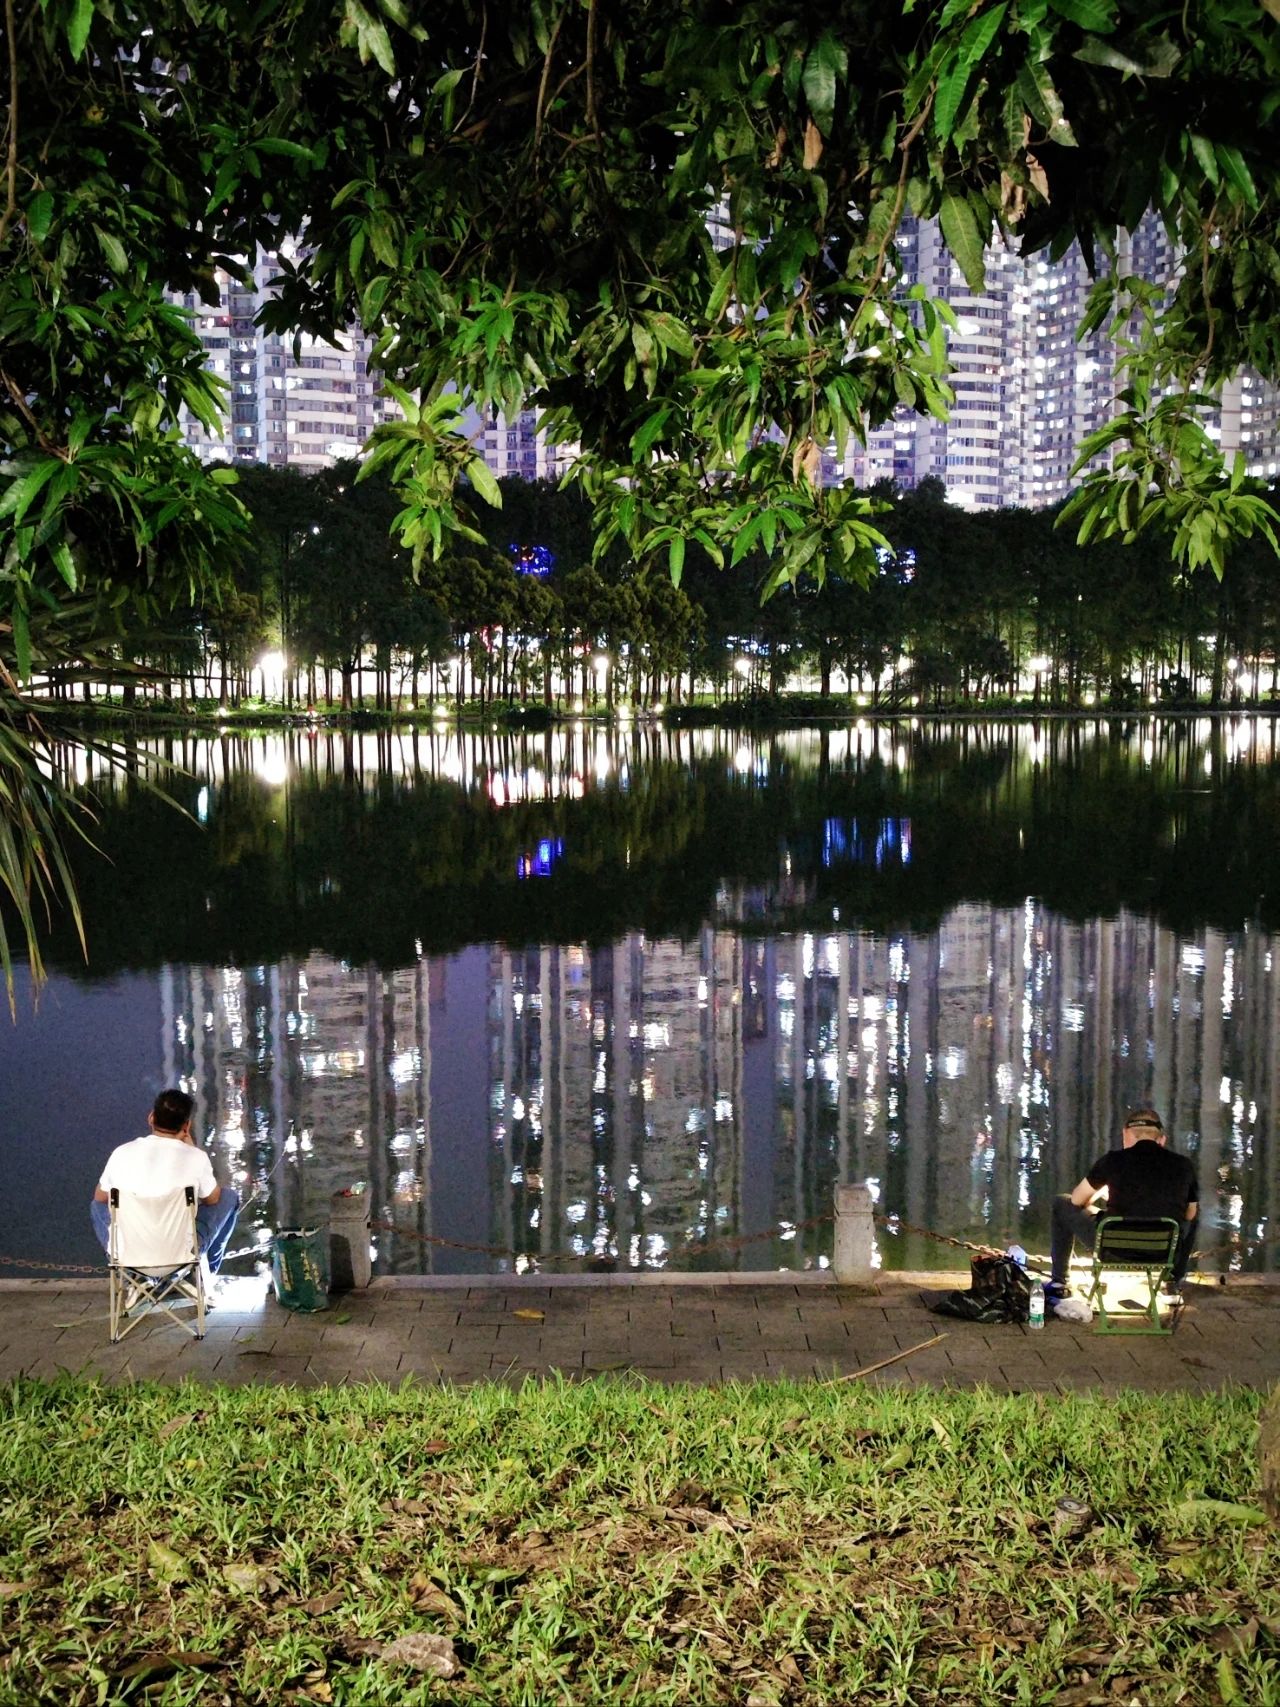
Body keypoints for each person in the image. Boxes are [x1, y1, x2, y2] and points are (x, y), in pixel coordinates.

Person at [1048, 1104, 1198, 1304]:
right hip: (1162, 1252)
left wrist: (1101, 1192)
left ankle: (1060, 1282)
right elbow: (1189, 1215)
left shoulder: (1113, 1160)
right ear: (1160, 1138)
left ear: (1127, 1134)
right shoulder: (1184, 1165)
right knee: (1193, 1213)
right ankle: (1171, 1284)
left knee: (1061, 1203)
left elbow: (1076, 1200)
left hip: (1114, 1249)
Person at [91, 1089, 240, 1282]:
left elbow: (100, 1198)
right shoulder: (195, 1157)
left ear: (151, 1118)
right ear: (186, 1125)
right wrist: (191, 1149)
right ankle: (205, 1276)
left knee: (97, 1206)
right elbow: (213, 1199)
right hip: (180, 1257)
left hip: (129, 1256)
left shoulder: (121, 1153)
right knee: (229, 1197)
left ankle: (137, 1279)